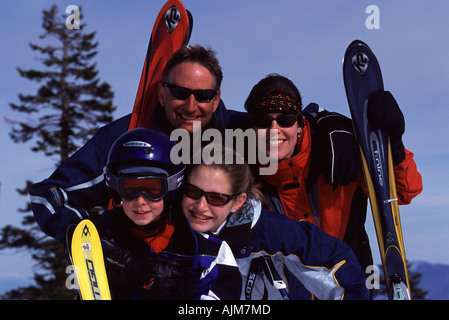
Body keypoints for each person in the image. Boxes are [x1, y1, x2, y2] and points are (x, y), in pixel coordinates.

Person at [29, 45, 248, 241]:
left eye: (203, 95)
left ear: (216, 99)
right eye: (180, 93)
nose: (191, 106)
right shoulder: (123, 139)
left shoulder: (240, 132)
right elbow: (49, 194)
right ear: (162, 94)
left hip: (223, 266)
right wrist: (89, 235)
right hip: (143, 265)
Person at [244, 74, 423, 275]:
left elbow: (404, 191)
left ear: (299, 125)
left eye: (285, 120)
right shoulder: (241, 170)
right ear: (251, 126)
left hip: (348, 287)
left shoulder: (340, 151)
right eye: (262, 120)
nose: (274, 130)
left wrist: (395, 146)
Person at [183, 145, 369, 300]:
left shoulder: (270, 233)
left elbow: (340, 265)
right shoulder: (167, 225)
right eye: (193, 191)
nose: (200, 206)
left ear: (238, 202)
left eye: (216, 198)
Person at [97, 127, 241, 300]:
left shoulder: (210, 252)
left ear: (171, 188)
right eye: (130, 188)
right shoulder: (104, 230)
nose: (141, 200)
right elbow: (77, 243)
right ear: (115, 188)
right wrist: (123, 264)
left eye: (153, 189)